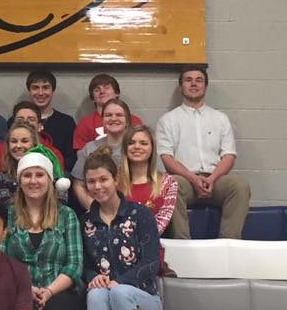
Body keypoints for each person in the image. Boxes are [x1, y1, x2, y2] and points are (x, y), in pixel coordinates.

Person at [1, 149, 85, 310]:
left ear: (50, 180)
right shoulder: (8, 215)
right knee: (23, 306)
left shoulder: (66, 215)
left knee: (55, 307)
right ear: (19, 182)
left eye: (40, 175)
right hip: (19, 291)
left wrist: (47, 292)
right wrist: (26, 290)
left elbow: (74, 265)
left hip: (61, 291)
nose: (33, 181)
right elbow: (1, 262)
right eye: (27, 176)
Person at [82, 149, 162, 310]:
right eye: (91, 181)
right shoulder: (86, 221)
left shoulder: (140, 214)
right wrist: (92, 277)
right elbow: (86, 265)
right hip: (105, 305)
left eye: (103, 179)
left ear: (116, 179)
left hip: (143, 300)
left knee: (119, 291)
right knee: (95, 293)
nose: (98, 186)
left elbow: (151, 262)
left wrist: (120, 282)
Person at [156, 66, 250, 239]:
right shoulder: (168, 120)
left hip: (216, 180)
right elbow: (166, 157)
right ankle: (183, 246)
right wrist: (193, 179)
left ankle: (228, 244)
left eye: (199, 80)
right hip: (185, 181)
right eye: (188, 80)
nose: (194, 84)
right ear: (181, 87)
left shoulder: (220, 118)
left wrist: (212, 179)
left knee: (240, 186)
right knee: (170, 184)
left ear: (205, 86)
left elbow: (229, 155)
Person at [117, 125, 178, 276]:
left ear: (152, 149)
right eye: (131, 143)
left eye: (143, 143)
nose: (137, 147)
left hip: (148, 253)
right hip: (115, 252)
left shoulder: (168, 183)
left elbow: (160, 224)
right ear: (125, 148)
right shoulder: (113, 180)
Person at [71, 98, 133, 212]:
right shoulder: (90, 148)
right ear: (103, 119)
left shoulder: (135, 148)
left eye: (119, 115)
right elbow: (78, 184)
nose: (113, 119)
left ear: (127, 120)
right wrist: (94, 209)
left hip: (132, 208)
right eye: (108, 115)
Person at [0, 100, 63, 174]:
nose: (25, 122)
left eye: (31, 119)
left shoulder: (52, 154)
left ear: (39, 126)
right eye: (20, 119)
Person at [73, 74, 143, 151]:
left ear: (117, 93)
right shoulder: (85, 124)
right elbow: (81, 155)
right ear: (92, 98)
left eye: (107, 88)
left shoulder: (134, 121)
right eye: (97, 90)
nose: (102, 91)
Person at [25, 69, 76, 173]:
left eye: (46, 88)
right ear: (29, 92)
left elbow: (71, 159)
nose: (40, 93)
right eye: (35, 88)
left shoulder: (67, 122)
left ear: (52, 91)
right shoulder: (17, 120)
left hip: (58, 176)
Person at [0, 120, 39, 205]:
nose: (18, 146)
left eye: (24, 141)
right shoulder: (1, 180)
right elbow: (6, 210)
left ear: (35, 144)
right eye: (14, 141)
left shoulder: (48, 175)